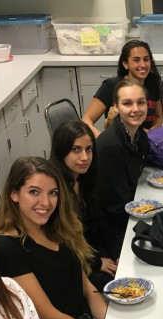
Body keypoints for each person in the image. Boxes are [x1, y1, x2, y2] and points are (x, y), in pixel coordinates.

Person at [0, 157, 105, 319]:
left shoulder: (56, 228)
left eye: (53, 193)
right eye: (34, 192)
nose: (46, 202)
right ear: (14, 194)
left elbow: (87, 288)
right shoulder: (5, 247)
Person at [50, 120, 117, 291]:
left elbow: (99, 224)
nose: (85, 157)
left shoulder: (84, 179)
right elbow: (62, 245)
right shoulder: (53, 190)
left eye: (89, 149)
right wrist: (97, 263)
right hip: (75, 266)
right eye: (76, 150)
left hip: (91, 254)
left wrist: (113, 254)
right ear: (61, 151)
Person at [95, 78, 149, 259]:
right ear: (116, 107)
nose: (136, 109)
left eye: (141, 102)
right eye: (127, 103)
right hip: (112, 231)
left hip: (127, 210)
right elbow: (115, 208)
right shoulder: (110, 146)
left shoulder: (139, 133)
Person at [81, 39, 163, 137]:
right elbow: (86, 120)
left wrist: (149, 134)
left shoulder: (152, 84)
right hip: (119, 144)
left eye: (146, 59)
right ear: (125, 64)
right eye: (136, 60)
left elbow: (159, 117)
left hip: (145, 144)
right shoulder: (111, 86)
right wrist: (101, 140)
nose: (143, 65)